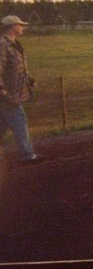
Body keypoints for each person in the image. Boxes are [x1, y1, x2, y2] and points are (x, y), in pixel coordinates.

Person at [0, 15, 45, 164]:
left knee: (3, 124)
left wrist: (29, 78)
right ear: (12, 27)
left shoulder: (15, 44)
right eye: (20, 25)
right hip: (7, 95)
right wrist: (1, 89)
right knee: (19, 120)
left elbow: (17, 67)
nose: (22, 27)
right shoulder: (2, 45)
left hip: (14, 93)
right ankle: (28, 155)